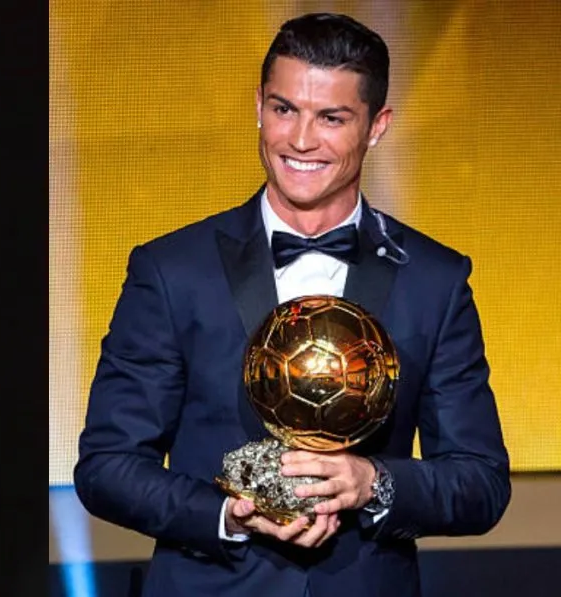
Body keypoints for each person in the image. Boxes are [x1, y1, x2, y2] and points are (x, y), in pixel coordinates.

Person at [74, 12, 510, 597]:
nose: (301, 140)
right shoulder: (172, 270)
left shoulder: (435, 280)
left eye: (331, 118)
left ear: (377, 126)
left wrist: (373, 482)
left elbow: (479, 481)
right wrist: (226, 516)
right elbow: (107, 466)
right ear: (258, 105)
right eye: (284, 109)